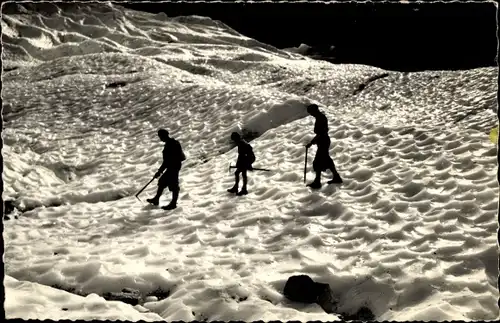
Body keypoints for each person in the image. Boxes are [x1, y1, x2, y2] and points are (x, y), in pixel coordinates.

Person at [305, 104, 343, 189]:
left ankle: (317, 182)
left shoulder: (320, 118)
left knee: (317, 162)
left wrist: (311, 142)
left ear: (315, 111)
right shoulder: (320, 117)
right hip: (323, 141)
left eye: (311, 112)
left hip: (323, 141)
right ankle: (336, 177)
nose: (311, 114)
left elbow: (321, 133)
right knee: (327, 160)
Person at [147, 129, 186, 210]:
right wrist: (160, 171)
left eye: (160, 136)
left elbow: (168, 161)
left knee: (174, 185)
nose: (160, 138)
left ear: (164, 135)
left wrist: (160, 171)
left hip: (174, 167)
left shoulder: (172, 144)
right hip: (172, 166)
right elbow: (167, 161)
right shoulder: (170, 143)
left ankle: (173, 204)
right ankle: (156, 199)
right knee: (162, 182)